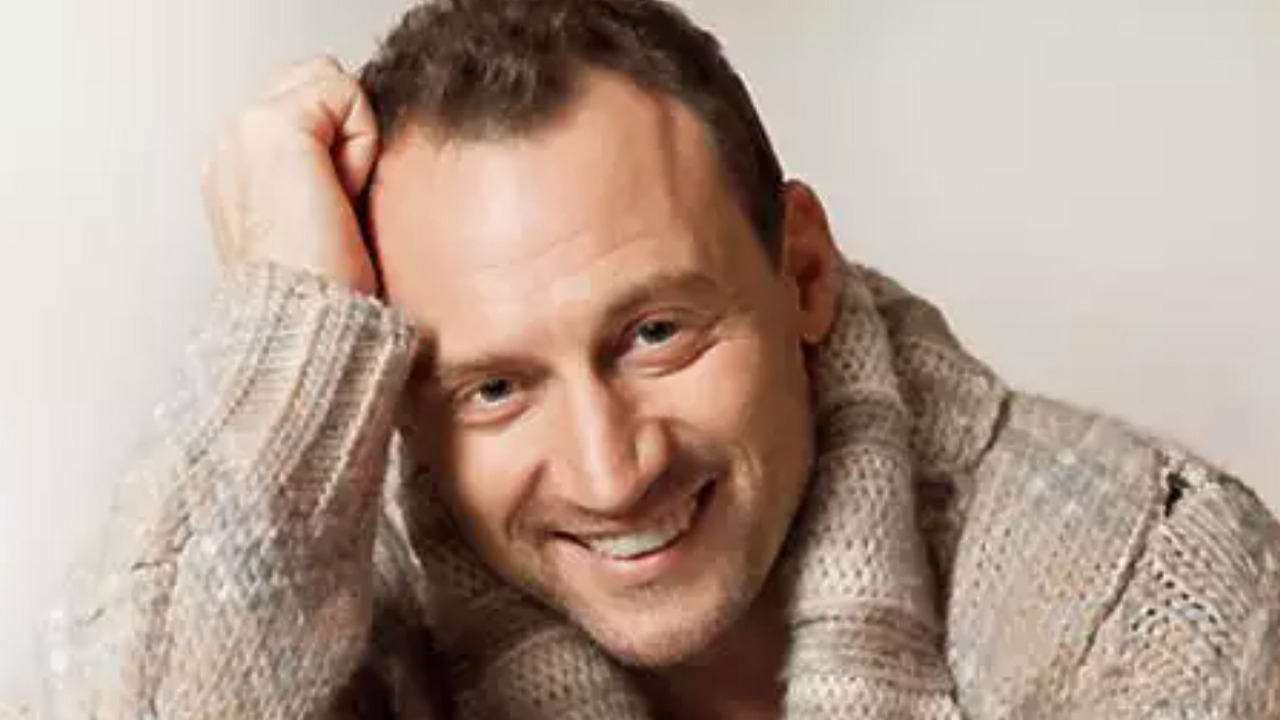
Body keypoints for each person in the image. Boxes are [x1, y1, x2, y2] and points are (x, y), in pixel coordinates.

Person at [14, 0, 1280, 718]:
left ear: (800, 271)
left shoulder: (1134, 579)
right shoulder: (327, 616)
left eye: (654, 335)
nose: (609, 470)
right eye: (493, 388)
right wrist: (288, 322)